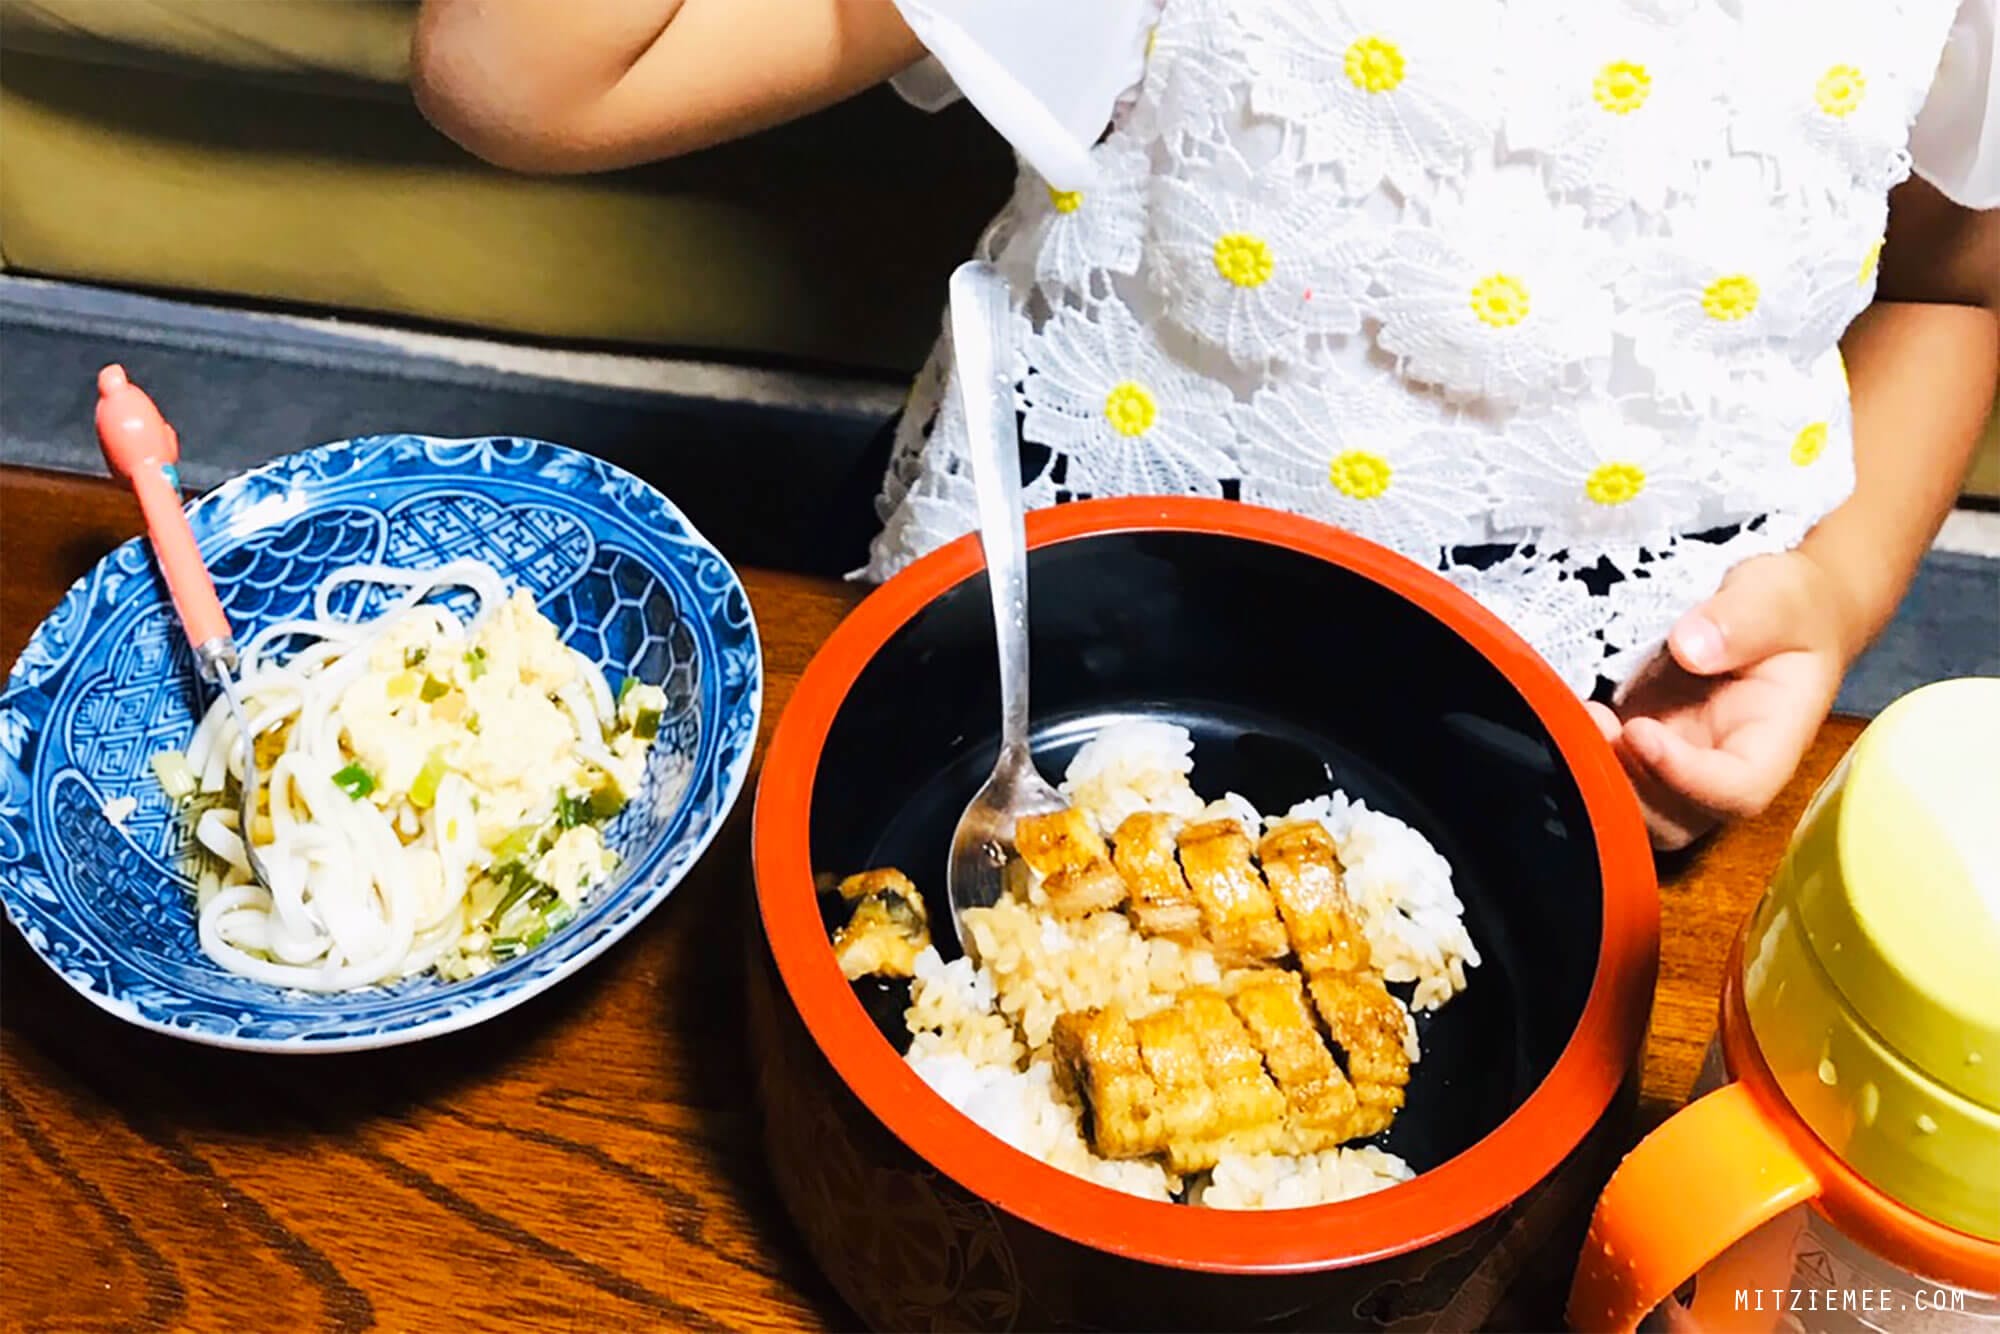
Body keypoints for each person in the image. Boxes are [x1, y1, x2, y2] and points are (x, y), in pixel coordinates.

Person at [410, 0, 1999, 848]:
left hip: (1591, 777)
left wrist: (1841, 590)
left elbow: (1961, 284)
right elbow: (527, 71)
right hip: (1009, 737)